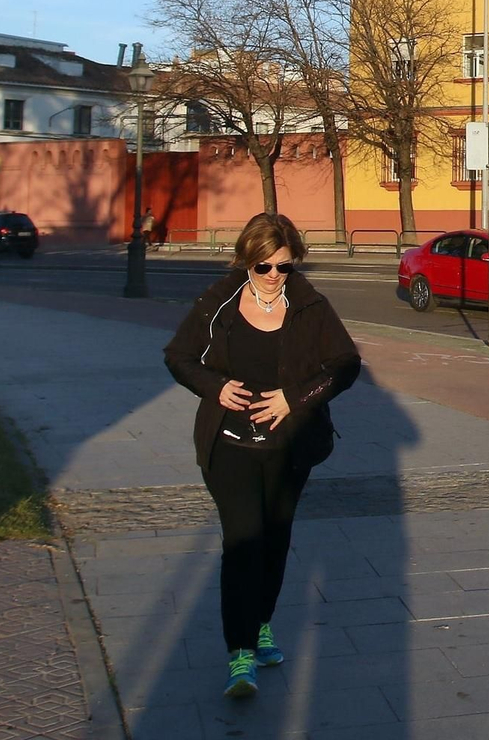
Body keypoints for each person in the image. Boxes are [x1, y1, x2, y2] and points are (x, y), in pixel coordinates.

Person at [163, 212, 361, 699]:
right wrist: (214, 387)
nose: (274, 277)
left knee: (274, 540)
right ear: (246, 262)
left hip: (290, 449)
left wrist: (296, 397)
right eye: (264, 267)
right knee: (243, 543)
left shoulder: (309, 304)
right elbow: (178, 356)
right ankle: (240, 654)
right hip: (228, 448)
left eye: (284, 267)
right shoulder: (219, 301)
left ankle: (263, 623)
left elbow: (346, 364)